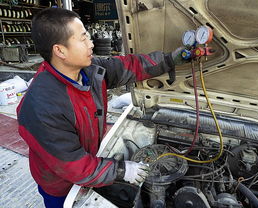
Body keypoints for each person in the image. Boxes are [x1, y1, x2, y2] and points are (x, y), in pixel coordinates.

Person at [16, 7, 184, 208]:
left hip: (88, 162)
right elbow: (74, 167)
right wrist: (122, 170)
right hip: (60, 186)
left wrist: (170, 59)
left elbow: (129, 66)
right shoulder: (41, 107)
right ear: (59, 50)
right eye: (83, 38)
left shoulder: (89, 71)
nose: (91, 43)